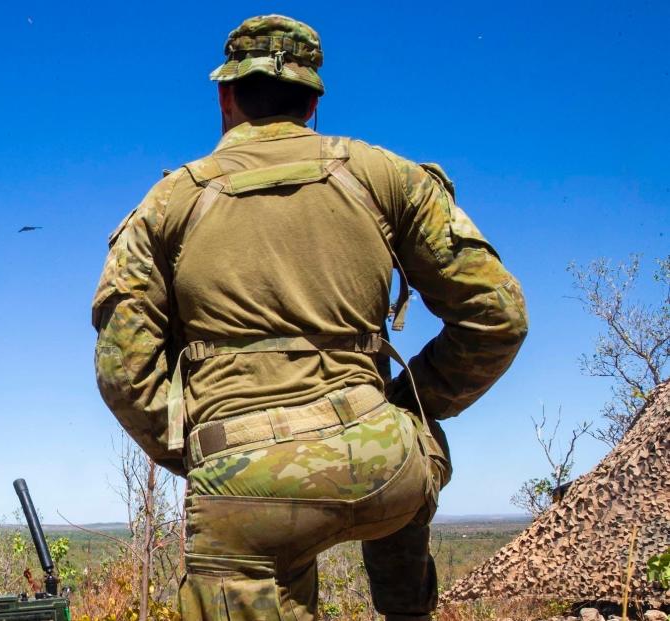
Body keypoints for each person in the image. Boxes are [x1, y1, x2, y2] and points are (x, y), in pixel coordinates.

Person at [91, 15, 528, 621]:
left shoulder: (168, 203)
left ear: (225, 95)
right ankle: (406, 608)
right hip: (385, 464)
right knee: (409, 442)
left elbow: (123, 373)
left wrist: (202, 453)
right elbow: (497, 316)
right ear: (313, 101)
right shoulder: (386, 176)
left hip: (244, 490)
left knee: (245, 540)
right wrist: (405, 402)